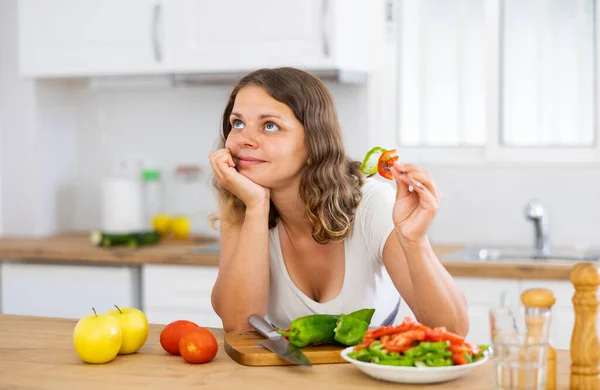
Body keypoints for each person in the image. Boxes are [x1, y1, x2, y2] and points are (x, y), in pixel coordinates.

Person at [208, 67, 469, 336]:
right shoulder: (243, 206)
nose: (244, 140)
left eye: (270, 125)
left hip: (367, 373)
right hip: (286, 375)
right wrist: (256, 206)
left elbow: (452, 329)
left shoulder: (371, 205)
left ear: (314, 143)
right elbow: (239, 326)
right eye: (237, 123)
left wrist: (415, 242)